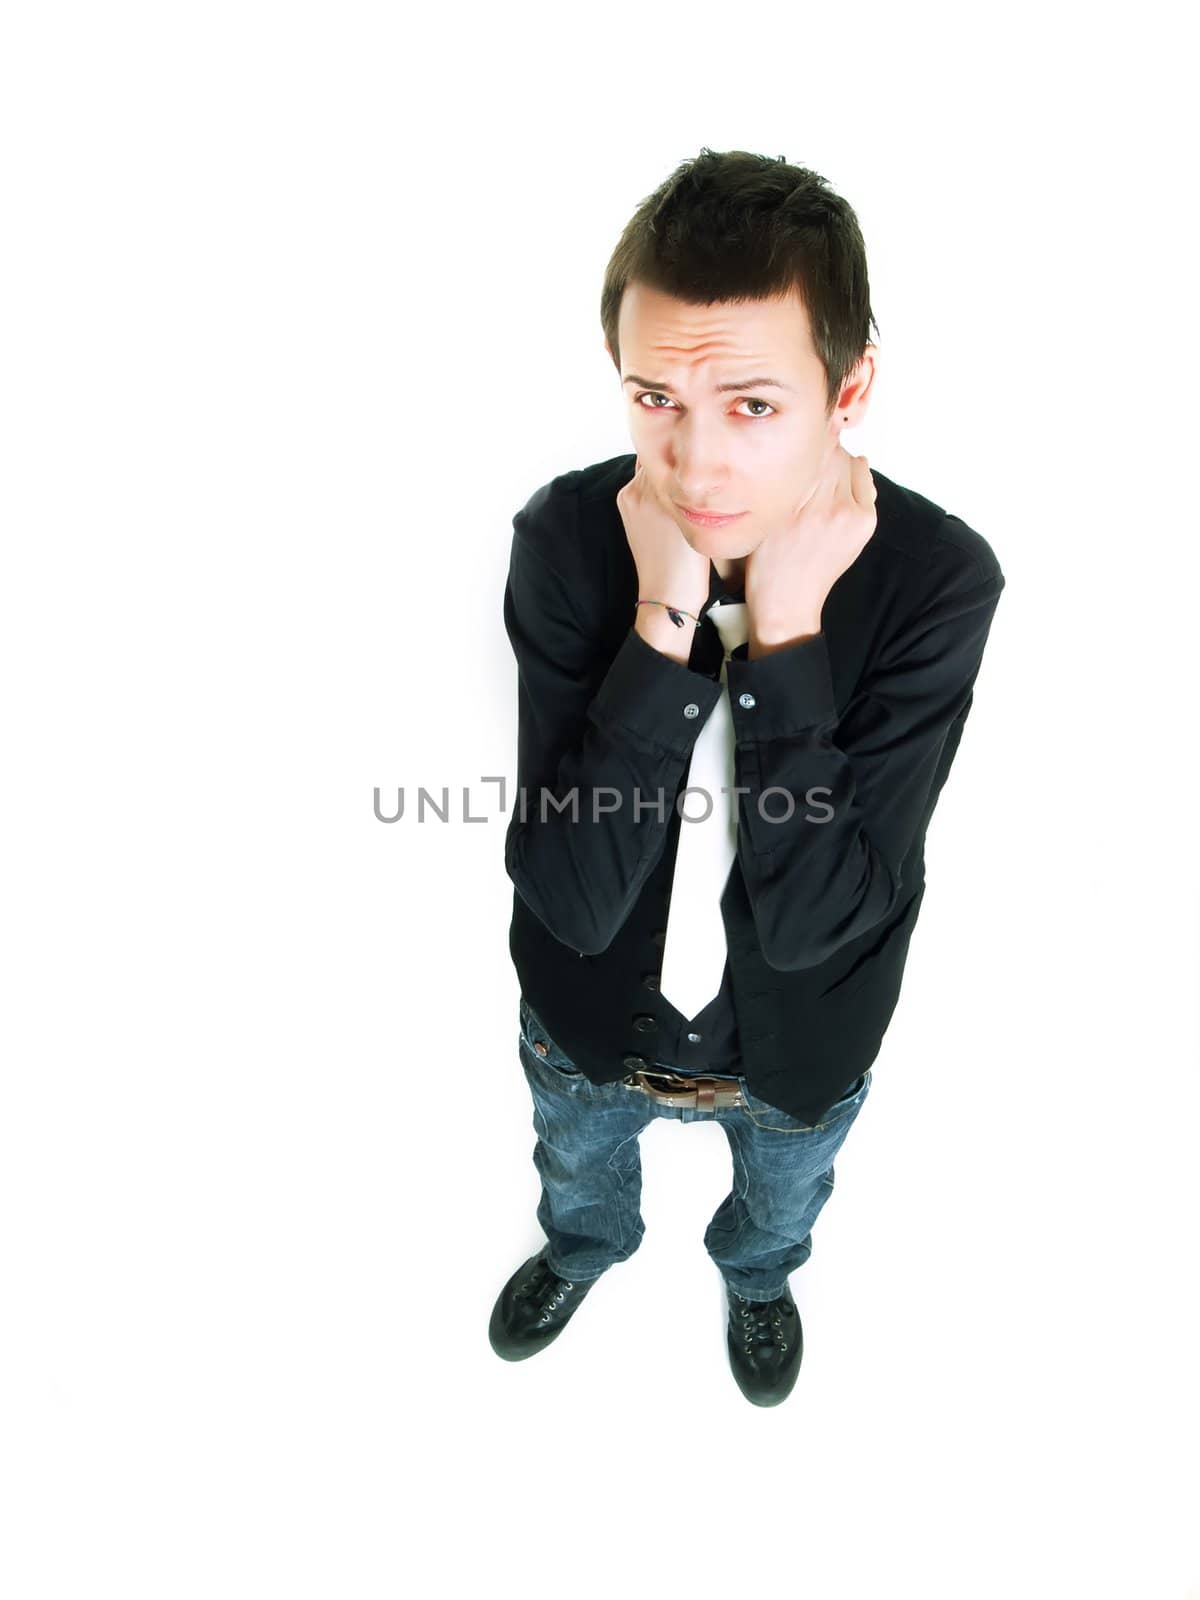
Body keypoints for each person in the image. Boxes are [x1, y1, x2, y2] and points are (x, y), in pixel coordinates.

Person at [487, 148, 1006, 1406]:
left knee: (782, 1200)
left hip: (797, 1048)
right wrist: (669, 614)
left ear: (851, 386)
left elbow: (828, 911)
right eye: (654, 396)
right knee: (578, 1167)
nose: (696, 464)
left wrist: (785, 637)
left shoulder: (940, 583)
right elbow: (568, 887)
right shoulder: (568, 538)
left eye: (753, 406)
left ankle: (759, 1275)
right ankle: (585, 1247)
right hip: (591, 1024)